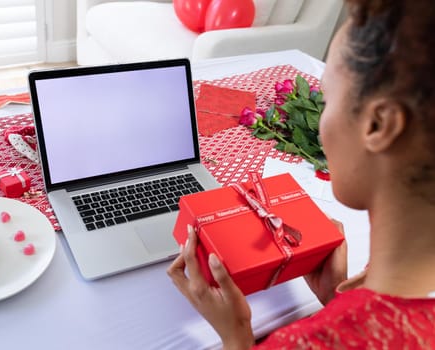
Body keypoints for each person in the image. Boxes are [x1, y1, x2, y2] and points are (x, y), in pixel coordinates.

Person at [167, 0, 435, 348]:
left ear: (378, 125)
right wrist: (338, 302)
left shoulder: (303, 341)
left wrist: (237, 336)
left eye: (326, 99)